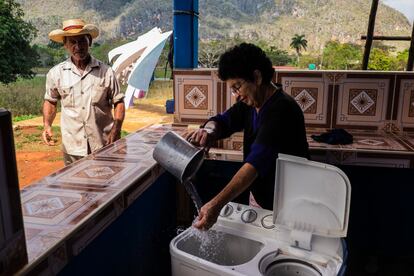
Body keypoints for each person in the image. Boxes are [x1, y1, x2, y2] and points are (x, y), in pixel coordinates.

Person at [185, 43, 309, 230]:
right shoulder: (251, 104)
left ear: (257, 77)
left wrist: (216, 205)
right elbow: (222, 121)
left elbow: (254, 165)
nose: (236, 95)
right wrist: (208, 131)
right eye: (232, 90)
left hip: (289, 207)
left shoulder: (281, 109)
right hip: (263, 200)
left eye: (237, 87)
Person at [42, 19, 125, 165]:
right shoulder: (56, 73)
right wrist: (47, 125)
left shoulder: (106, 72)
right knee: (75, 185)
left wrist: (116, 129)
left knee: (105, 184)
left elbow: (118, 102)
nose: (78, 46)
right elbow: (51, 101)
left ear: (90, 42)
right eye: (72, 42)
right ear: (65, 45)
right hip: (72, 147)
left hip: (103, 143)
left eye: (82, 41)